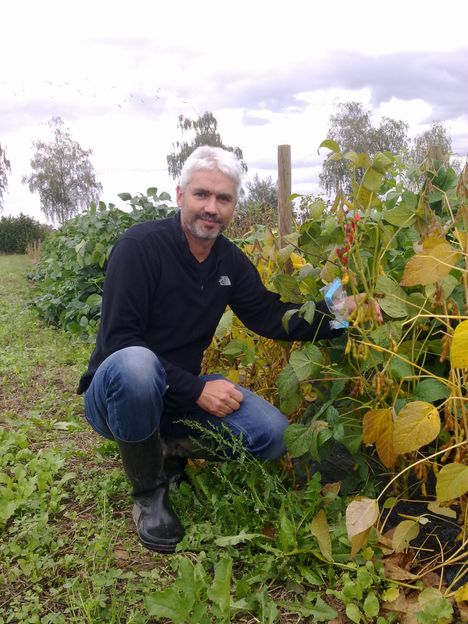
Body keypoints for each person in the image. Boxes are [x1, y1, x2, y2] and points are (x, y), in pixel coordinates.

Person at [78, 145, 381, 554]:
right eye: (202, 194)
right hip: (117, 394)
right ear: (180, 195)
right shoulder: (140, 247)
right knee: (137, 364)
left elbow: (270, 316)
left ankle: (166, 448)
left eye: (224, 198)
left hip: (177, 397)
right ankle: (149, 494)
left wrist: (341, 312)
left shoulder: (229, 262)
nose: (212, 208)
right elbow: (119, 342)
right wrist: (197, 391)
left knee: (272, 435)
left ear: (234, 205)